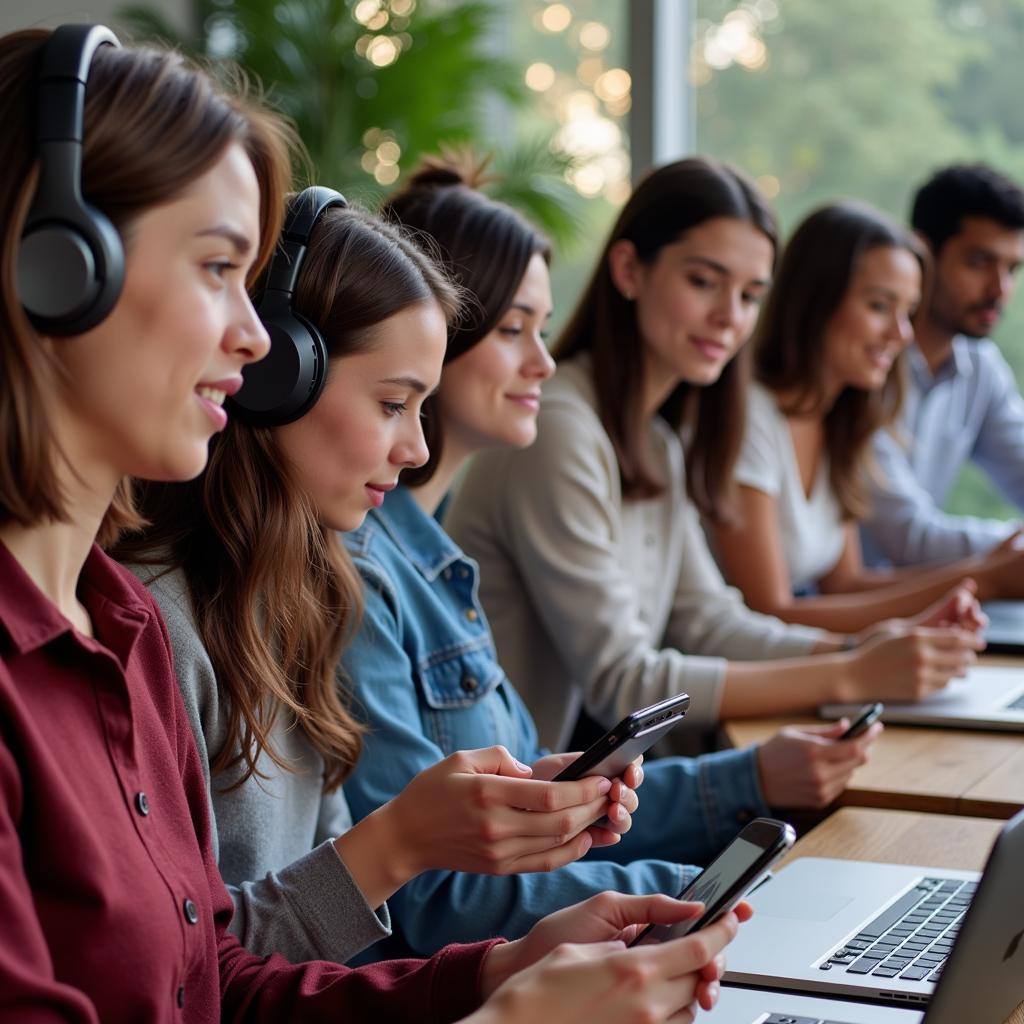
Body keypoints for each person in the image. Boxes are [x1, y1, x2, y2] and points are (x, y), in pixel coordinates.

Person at [0, 26, 745, 1024]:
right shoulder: (141, 630)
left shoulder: (121, 629)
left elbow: (214, 986)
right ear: (58, 268)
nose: (255, 337)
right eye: (218, 266)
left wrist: (496, 973)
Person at [338, 156, 879, 961]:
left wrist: (850, 669)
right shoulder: (368, 568)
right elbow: (434, 895)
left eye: (751, 294)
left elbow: (706, 621)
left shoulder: (438, 557)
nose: (543, 364)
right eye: (514, 328)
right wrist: (694, 888)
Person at [117, 194, 642, 964]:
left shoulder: (306, 594)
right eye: (394, 403)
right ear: (272, 379)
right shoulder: (154, 626)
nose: (415, 449)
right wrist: (401, 842)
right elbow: (191, 980)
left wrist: (501, 969)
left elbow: (329, 946)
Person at [445, 158, 979, 759]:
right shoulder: (560, 428)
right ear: (628, 269)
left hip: (566, 792)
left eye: (751, 295)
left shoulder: (655, 444)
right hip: (510, 797)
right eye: (704, 282)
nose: (731, 317)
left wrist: (856, 650)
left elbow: (709, 622)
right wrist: (850, 673)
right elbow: (622, 682)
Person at [713, 200, 1004, 633]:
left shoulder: (838, 422)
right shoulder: (750, 415)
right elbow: (770, 611)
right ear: (816, 300)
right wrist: (986, 579)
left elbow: (846, 584)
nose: (901, 334)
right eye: (879, 306)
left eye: (907, 312)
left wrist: (982, 574)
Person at [862, 162, 1024, 565]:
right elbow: (908, 539)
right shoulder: (866, 361)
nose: (1000, 290)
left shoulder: (980, 366)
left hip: (923, 608)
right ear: (922, 253)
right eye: (979, 262)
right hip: (843, 608)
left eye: (1013, 269)